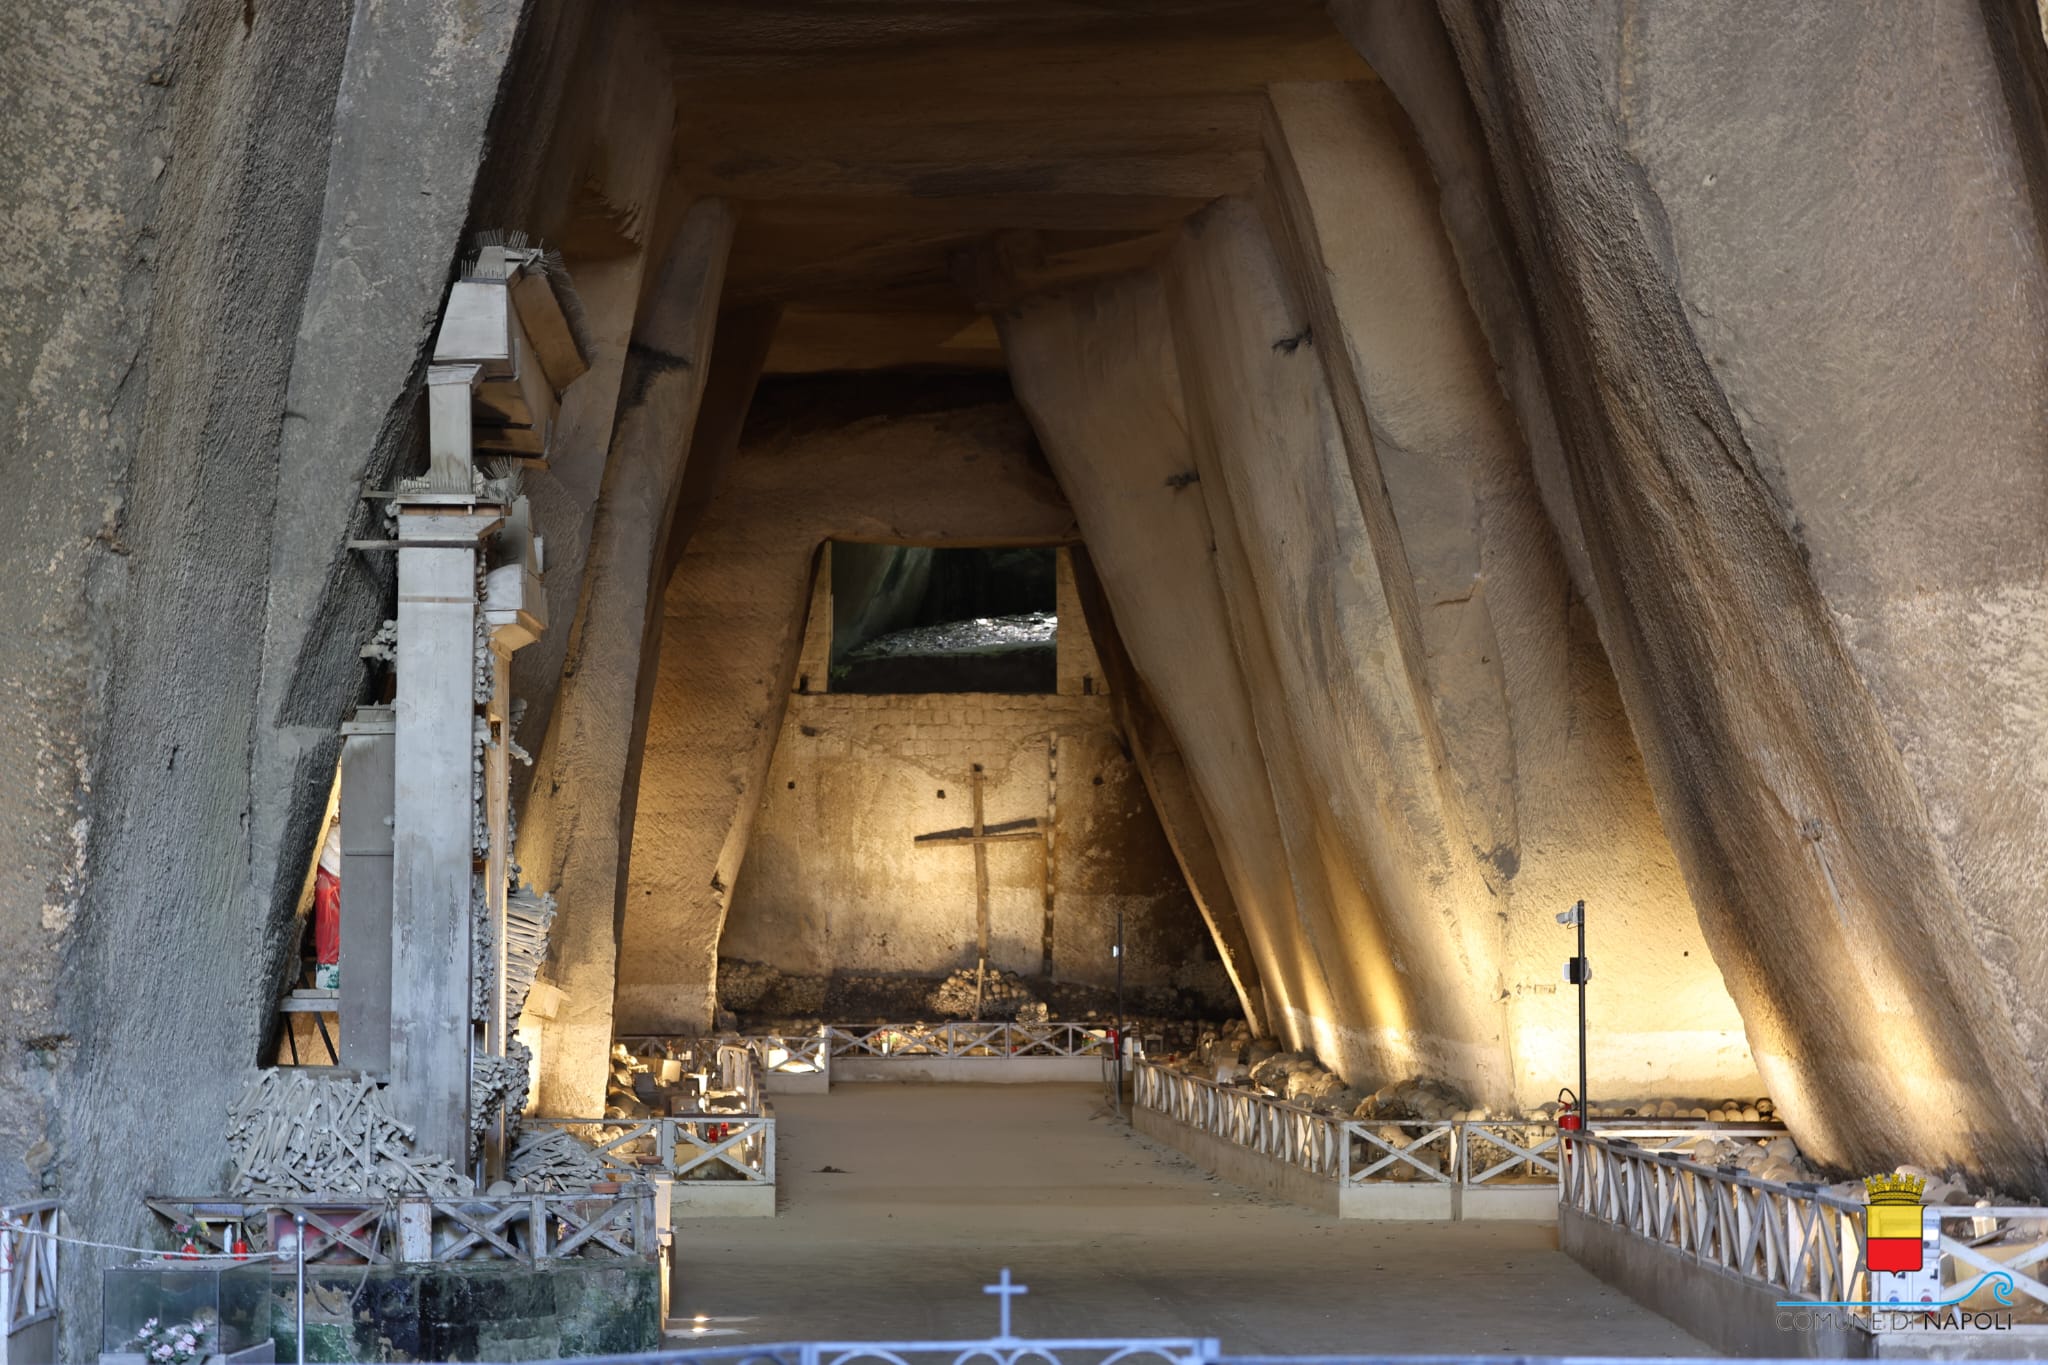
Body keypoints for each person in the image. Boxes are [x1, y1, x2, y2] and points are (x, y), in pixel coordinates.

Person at [313, 823, 341, 989]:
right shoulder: (334, 836)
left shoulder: (333, 835)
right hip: (330, 880)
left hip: (330, 877)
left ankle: (329, 972)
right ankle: (329, 973)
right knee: (329, 927)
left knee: (330, 928)